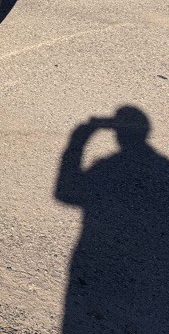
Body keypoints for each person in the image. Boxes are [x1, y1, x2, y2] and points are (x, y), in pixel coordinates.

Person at [55, 106, 169, 333]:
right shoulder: (164, 169)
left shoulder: (105, 170)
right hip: (153, 277)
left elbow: (65, 193)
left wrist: (79, 140)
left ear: (116, 133)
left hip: (97, 268)